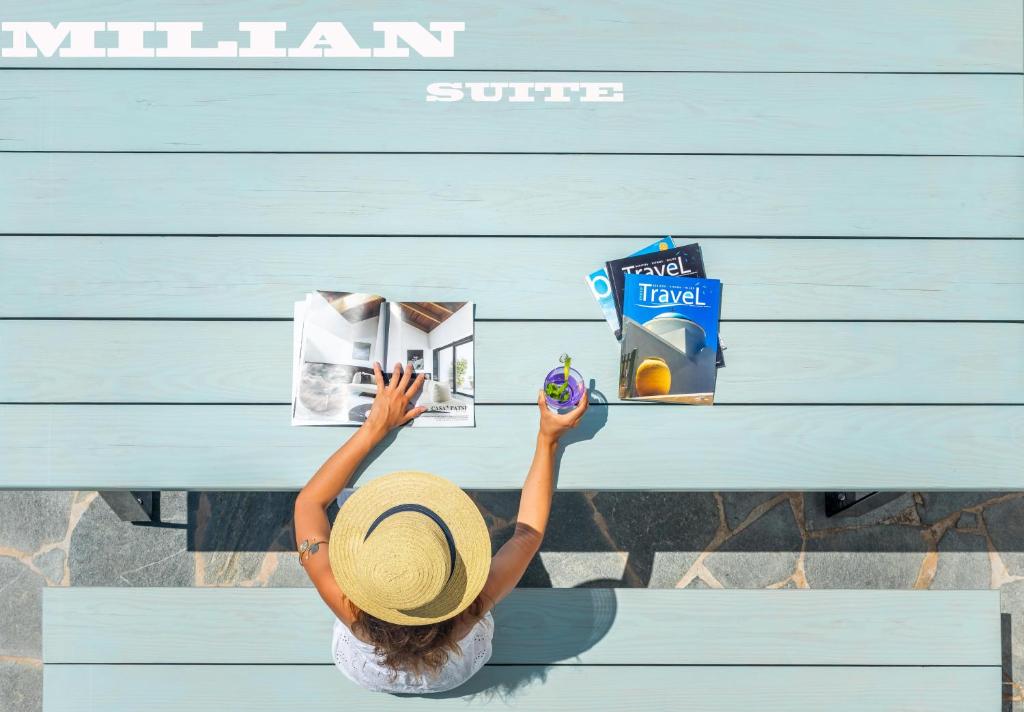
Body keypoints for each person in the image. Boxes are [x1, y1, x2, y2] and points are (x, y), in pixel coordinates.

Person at [293, 361, 588, 693]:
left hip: (377, 668)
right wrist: (548, 439)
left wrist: (374, 426)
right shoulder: (467, 611)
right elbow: (527, 535)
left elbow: (309, 504)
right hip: (449, 668)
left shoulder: (348, 607)